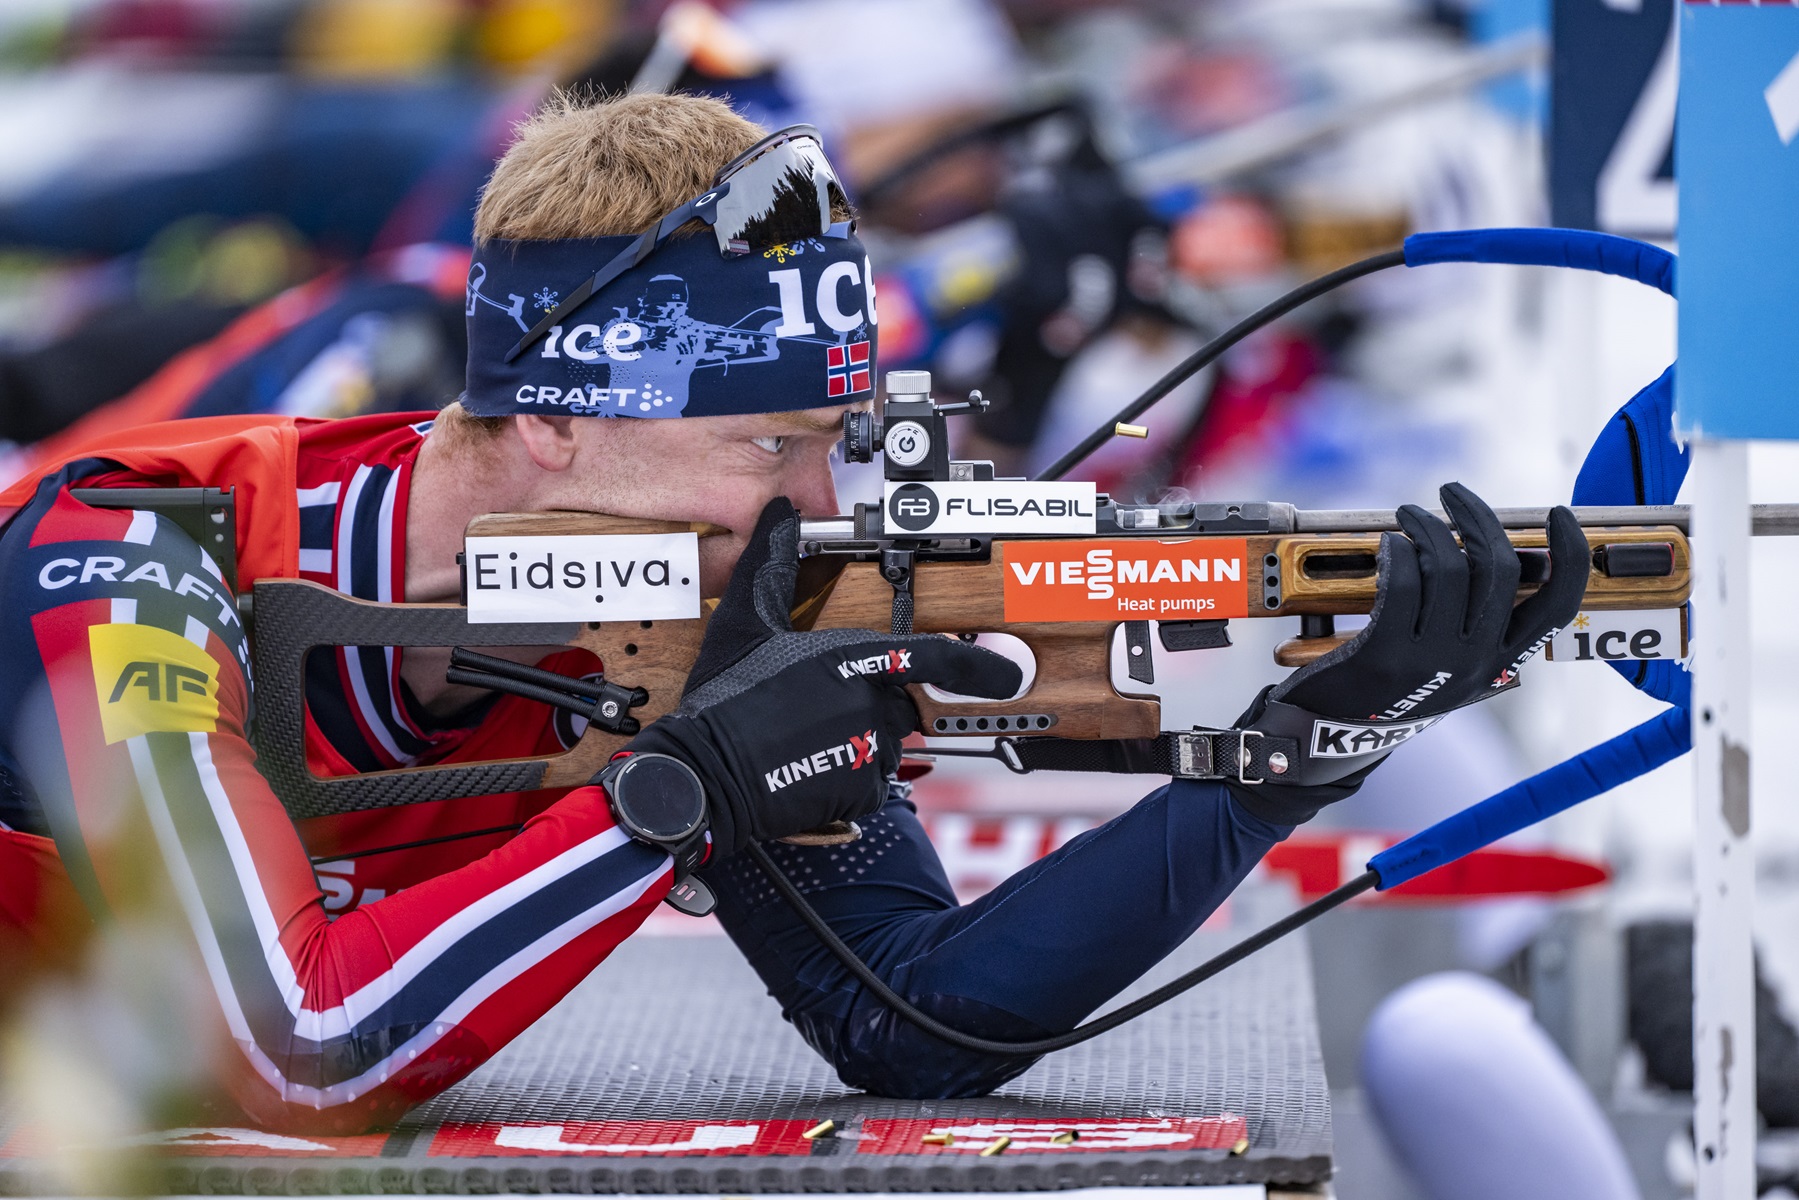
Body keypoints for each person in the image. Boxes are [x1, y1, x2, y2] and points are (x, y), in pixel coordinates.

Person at [0, 92, 1587, 1133]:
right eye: (771, 444)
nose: (818, 509)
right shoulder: (141, 557)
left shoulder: (671, 598)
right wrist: (673, 795)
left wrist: (1298, 750)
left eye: (830, 446)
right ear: (552, 419)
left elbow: (917, 1018)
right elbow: (294, 1051)